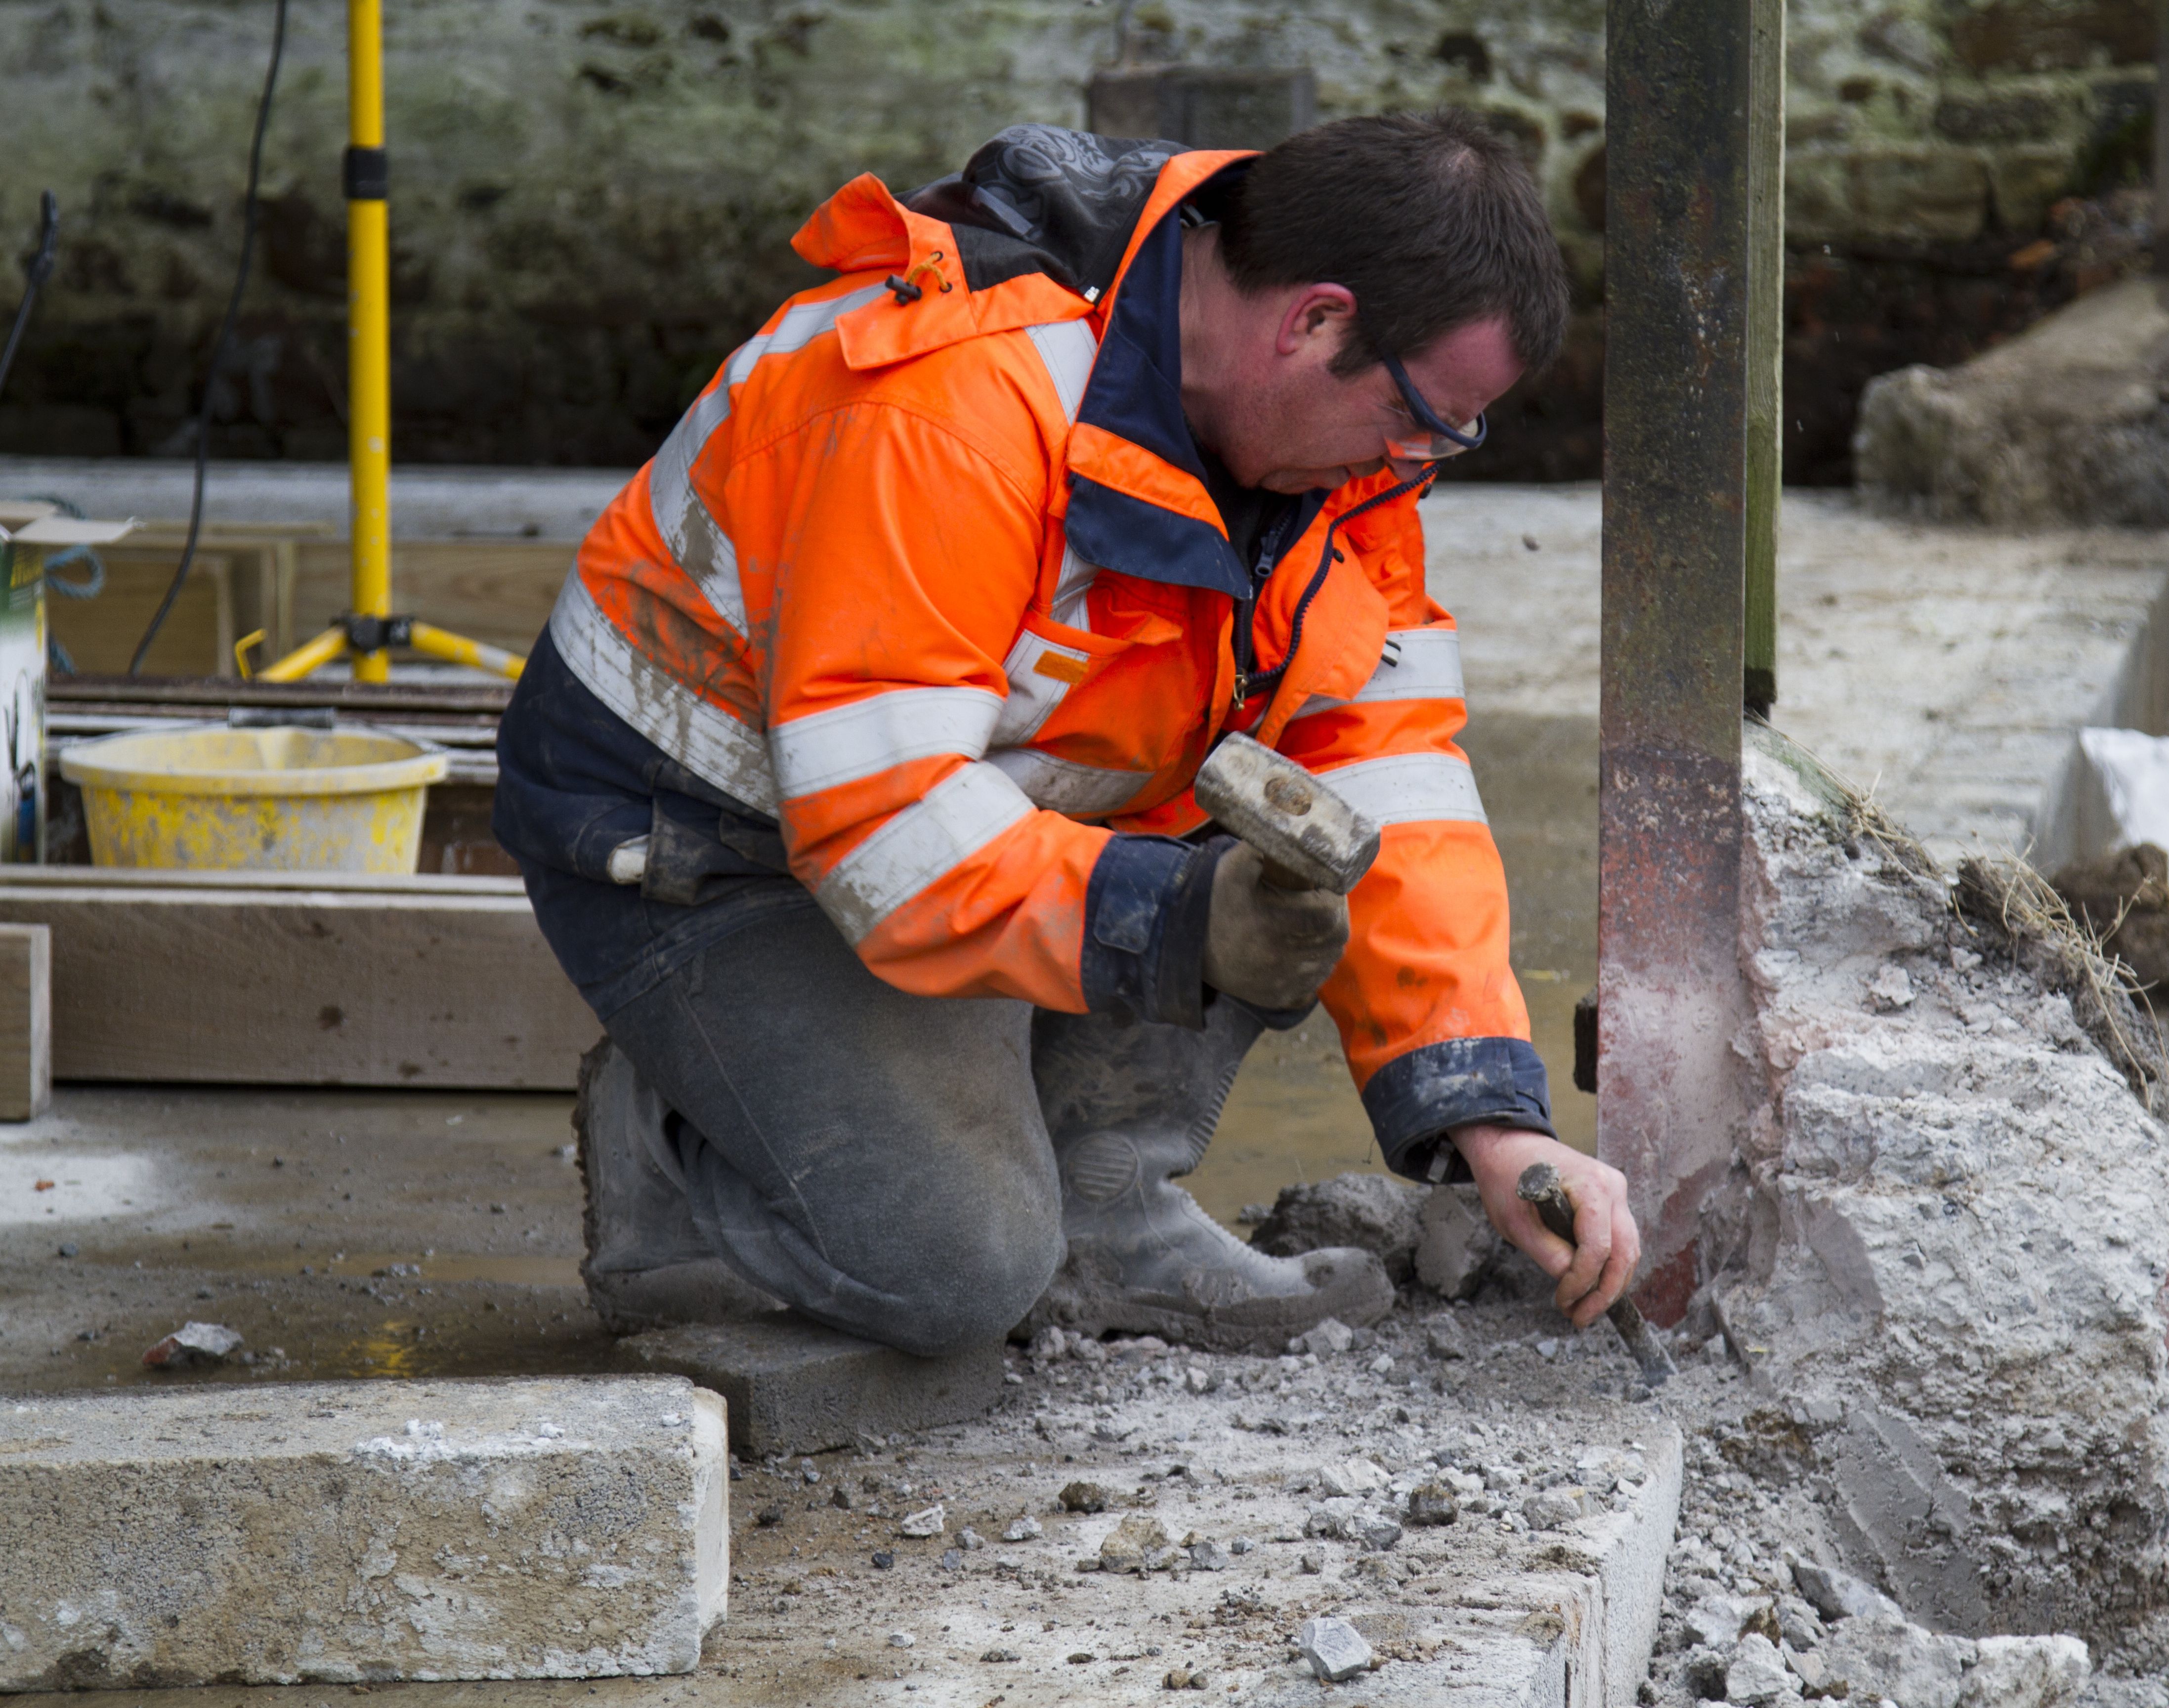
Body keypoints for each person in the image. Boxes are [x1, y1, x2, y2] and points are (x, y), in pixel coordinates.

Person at [493, 111, 1639, 1357]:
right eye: (1423, 415)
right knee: (957, 1271)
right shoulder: (952, 405)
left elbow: (1385, 771)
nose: (1422, 458)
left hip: (960, 814)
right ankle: (676, 1151)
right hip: (702, 847)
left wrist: (1490, 1114)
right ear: (1315, 321)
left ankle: (1109, 1215)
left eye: (1458, 432)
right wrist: (1177, 919)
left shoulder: (1345, 468)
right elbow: (883, 826)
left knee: (1293, 854)